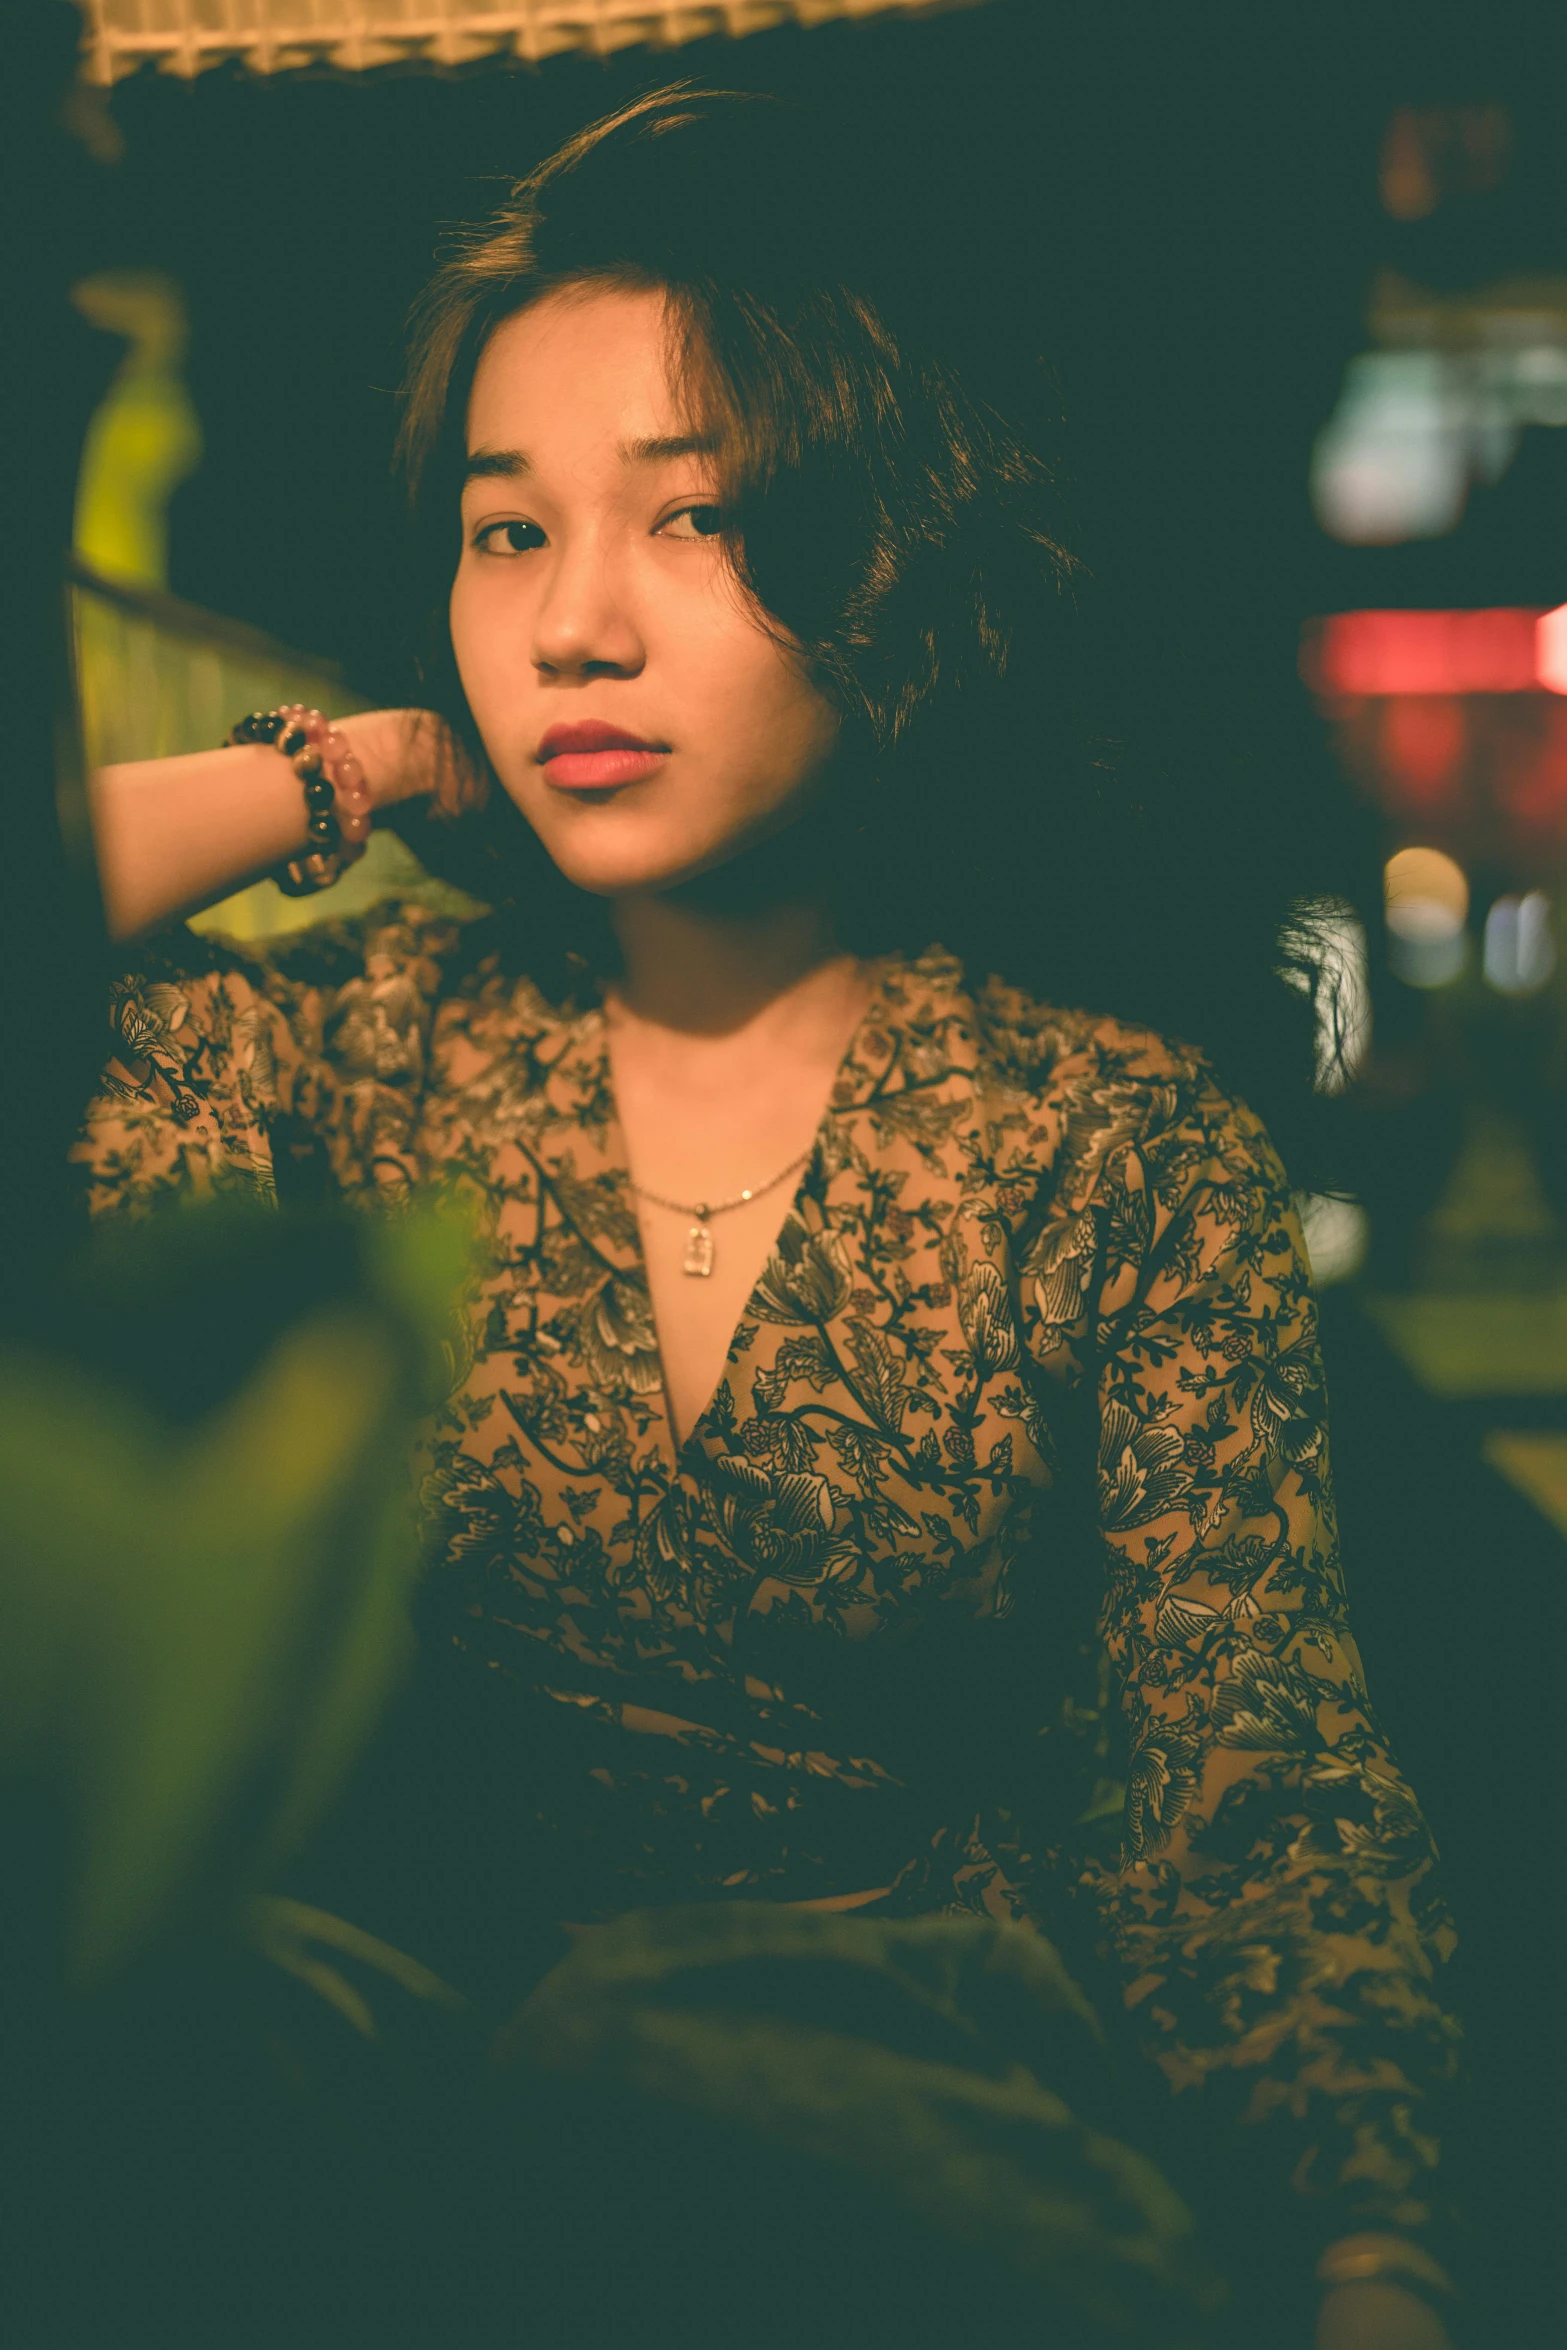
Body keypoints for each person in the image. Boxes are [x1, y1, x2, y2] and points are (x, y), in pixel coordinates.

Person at [76, 87, 1463, 2350]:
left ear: (881, 555)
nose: (578, 630)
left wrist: (1375, 2258)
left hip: (907, 2132)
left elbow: (1252, 1784)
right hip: (402, 2154)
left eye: (695, 519)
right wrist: (350, 770)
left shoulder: (1104, 1144)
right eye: (506, 535)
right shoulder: (344, 1063)